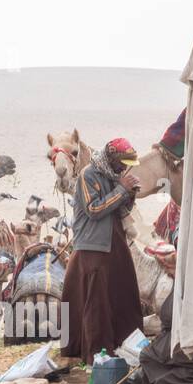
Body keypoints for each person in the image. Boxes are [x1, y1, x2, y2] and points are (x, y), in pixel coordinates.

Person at [59, 138, 144, 363]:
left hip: (115, 243)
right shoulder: (89, 175)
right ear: (110, 158)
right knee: (96, 303)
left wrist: (130, 194)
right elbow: (94, 209)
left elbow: (121, 208)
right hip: (92, 246)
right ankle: (97, 353)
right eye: (121, 163)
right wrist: (122, 189)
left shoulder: (115, 177)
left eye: (127, 164)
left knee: (124, 295)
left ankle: (127, 346)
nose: (124, 167)